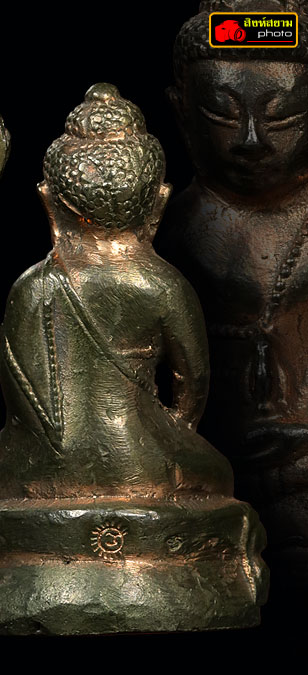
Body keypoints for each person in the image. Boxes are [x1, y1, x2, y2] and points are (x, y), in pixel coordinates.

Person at [0, 83, 233, 500]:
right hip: (138, 458)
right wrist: (171, 432)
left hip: (32, 467)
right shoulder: (162, 284)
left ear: (48, 203)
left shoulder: (29, 286)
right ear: (160, 203)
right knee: (215, 470)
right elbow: (193, 384)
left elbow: (18, 400)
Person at [161, 0, 306, 596]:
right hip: (206, 486)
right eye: (221, 114)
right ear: (181, 112)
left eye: (284, 116)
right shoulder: (162, 233)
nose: (251, 141)